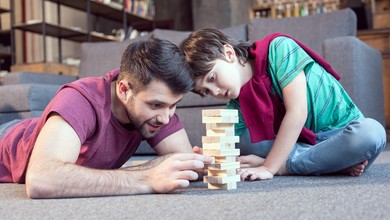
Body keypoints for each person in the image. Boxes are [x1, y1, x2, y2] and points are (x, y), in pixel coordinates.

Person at [0, 38, 212, 198]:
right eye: (155, 105)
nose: (166, 118)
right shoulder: (80, 99)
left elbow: (183, 162)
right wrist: (147, 177)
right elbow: (41, 179)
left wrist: (210, 165)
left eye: (173, 105)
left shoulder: (158, 107)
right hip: (8, 139)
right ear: (123, 90)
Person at [180, 28, 386, 181]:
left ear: (229, 53)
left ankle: (288, 165)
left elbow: (298, 111)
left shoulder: (279, 48)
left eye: (213, 77)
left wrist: (270, 167)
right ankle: (327, 164)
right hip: (303, 147)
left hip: (339, 135)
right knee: (239, 140)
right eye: (206, 91)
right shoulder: (237, 104)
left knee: (372, 133)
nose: (215, 91)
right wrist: (206, 159)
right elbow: (221, 144)